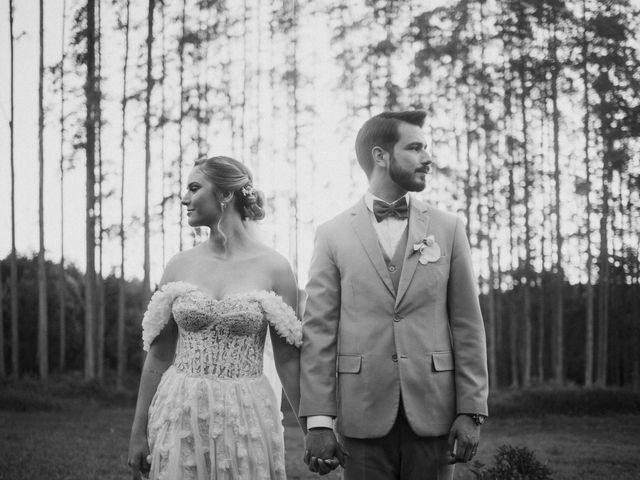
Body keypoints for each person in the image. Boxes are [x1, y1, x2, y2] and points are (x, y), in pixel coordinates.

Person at [299, 110, 489, 479]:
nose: (428, 158)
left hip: (435, 413)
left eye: (426, 148)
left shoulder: (448, 228)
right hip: (362, 414)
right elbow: (319, 332)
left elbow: (468, 324)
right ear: (380, 156)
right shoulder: (331, 234)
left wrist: (472, 409)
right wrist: (320, 422)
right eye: (415, 148)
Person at [127, 156, 304, 480]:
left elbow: (288, 361)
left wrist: (313, 431)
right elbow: (159, 354)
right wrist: (138, 432)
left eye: (194, 188)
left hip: (246, 412)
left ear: (225, 195)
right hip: (179, 409)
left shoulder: (276, 267)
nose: (185, 199)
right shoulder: (178, 265)